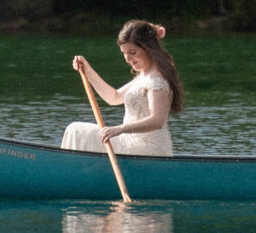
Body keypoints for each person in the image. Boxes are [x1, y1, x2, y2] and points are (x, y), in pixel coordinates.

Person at [63, 20, 184, 157]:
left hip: (147, 149)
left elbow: (157, 120)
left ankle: (70, 171)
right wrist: (87, 71)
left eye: (132, 52)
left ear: (148, 48)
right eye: (124, 53)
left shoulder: (156, 79)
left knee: (76, 130)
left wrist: (120, 129)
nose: (127, 59)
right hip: (129, 141)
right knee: (74, 129)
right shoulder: (143, 76)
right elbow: (113, 97)